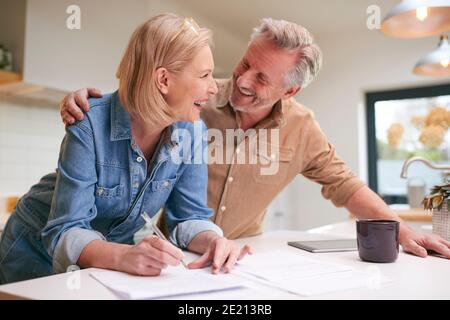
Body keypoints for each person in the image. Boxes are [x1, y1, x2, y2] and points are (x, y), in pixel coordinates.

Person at [61, 18, 450, 260]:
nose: (242, 81)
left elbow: (345, 185)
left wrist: (401, 229)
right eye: (246, 63)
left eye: (262, 78)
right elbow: (142, 96)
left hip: (242, 252)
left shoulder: (301, 128)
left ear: (289, 92)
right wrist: (90, 101)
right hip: (173, 251)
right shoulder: (196, 101)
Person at [0, 13, 251, 285]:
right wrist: (123, 256)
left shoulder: (193, 132)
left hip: (107, 260)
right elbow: (66, 229)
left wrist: (214, 241)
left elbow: (190, 216)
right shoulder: (89, 123)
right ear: (163, 80)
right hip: (33, 252)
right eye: (205, 75)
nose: (214, 87)